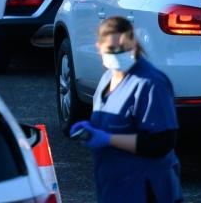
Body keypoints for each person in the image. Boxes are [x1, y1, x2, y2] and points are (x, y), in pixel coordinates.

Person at [69, 17, 183, 203]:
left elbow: (162, 142)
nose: (119, 54)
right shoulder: (108, 78)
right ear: (99, 48)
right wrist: (90, 130)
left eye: (125, 48)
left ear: (133, 44)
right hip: (114, 188)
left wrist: (108, 139)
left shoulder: (150, 83)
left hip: (146, 190)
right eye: (112, 49)